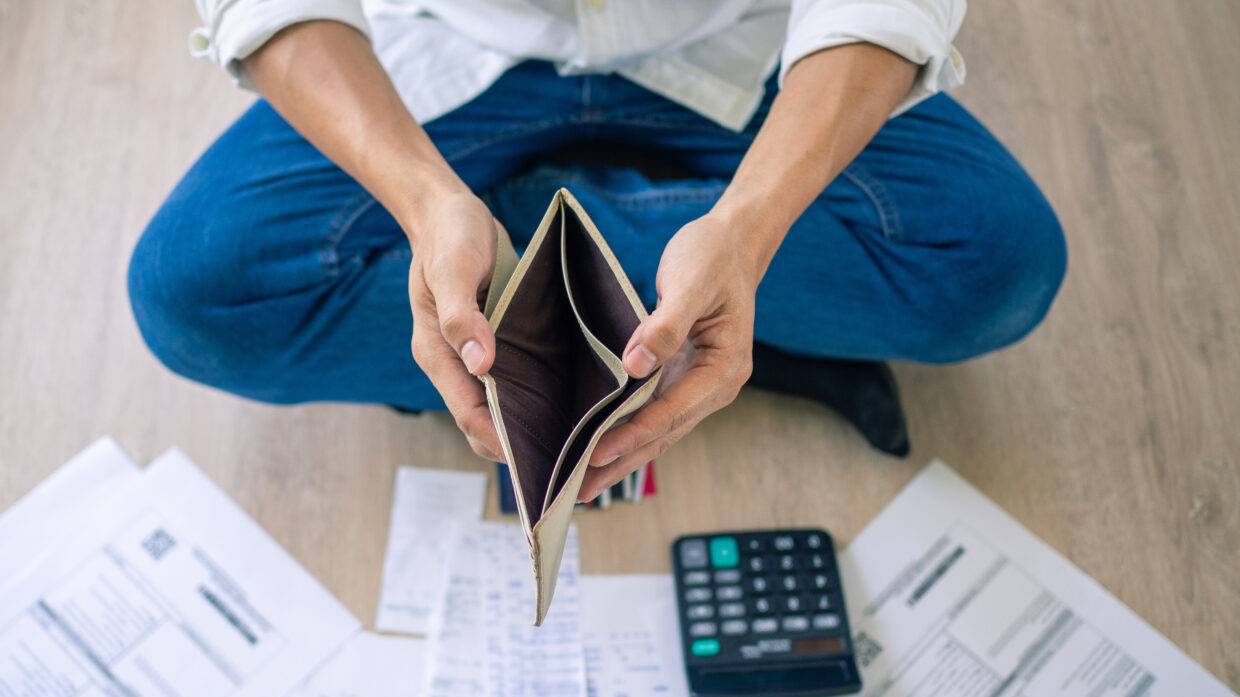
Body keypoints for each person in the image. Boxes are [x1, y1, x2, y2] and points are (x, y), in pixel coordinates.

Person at [129, 1, 1066, 501]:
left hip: (749, 42)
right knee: (196, 298)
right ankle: (706, 317)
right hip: (447, 47)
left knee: (994, 268)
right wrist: (424, 200)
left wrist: (750, 225)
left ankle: (565, 280)